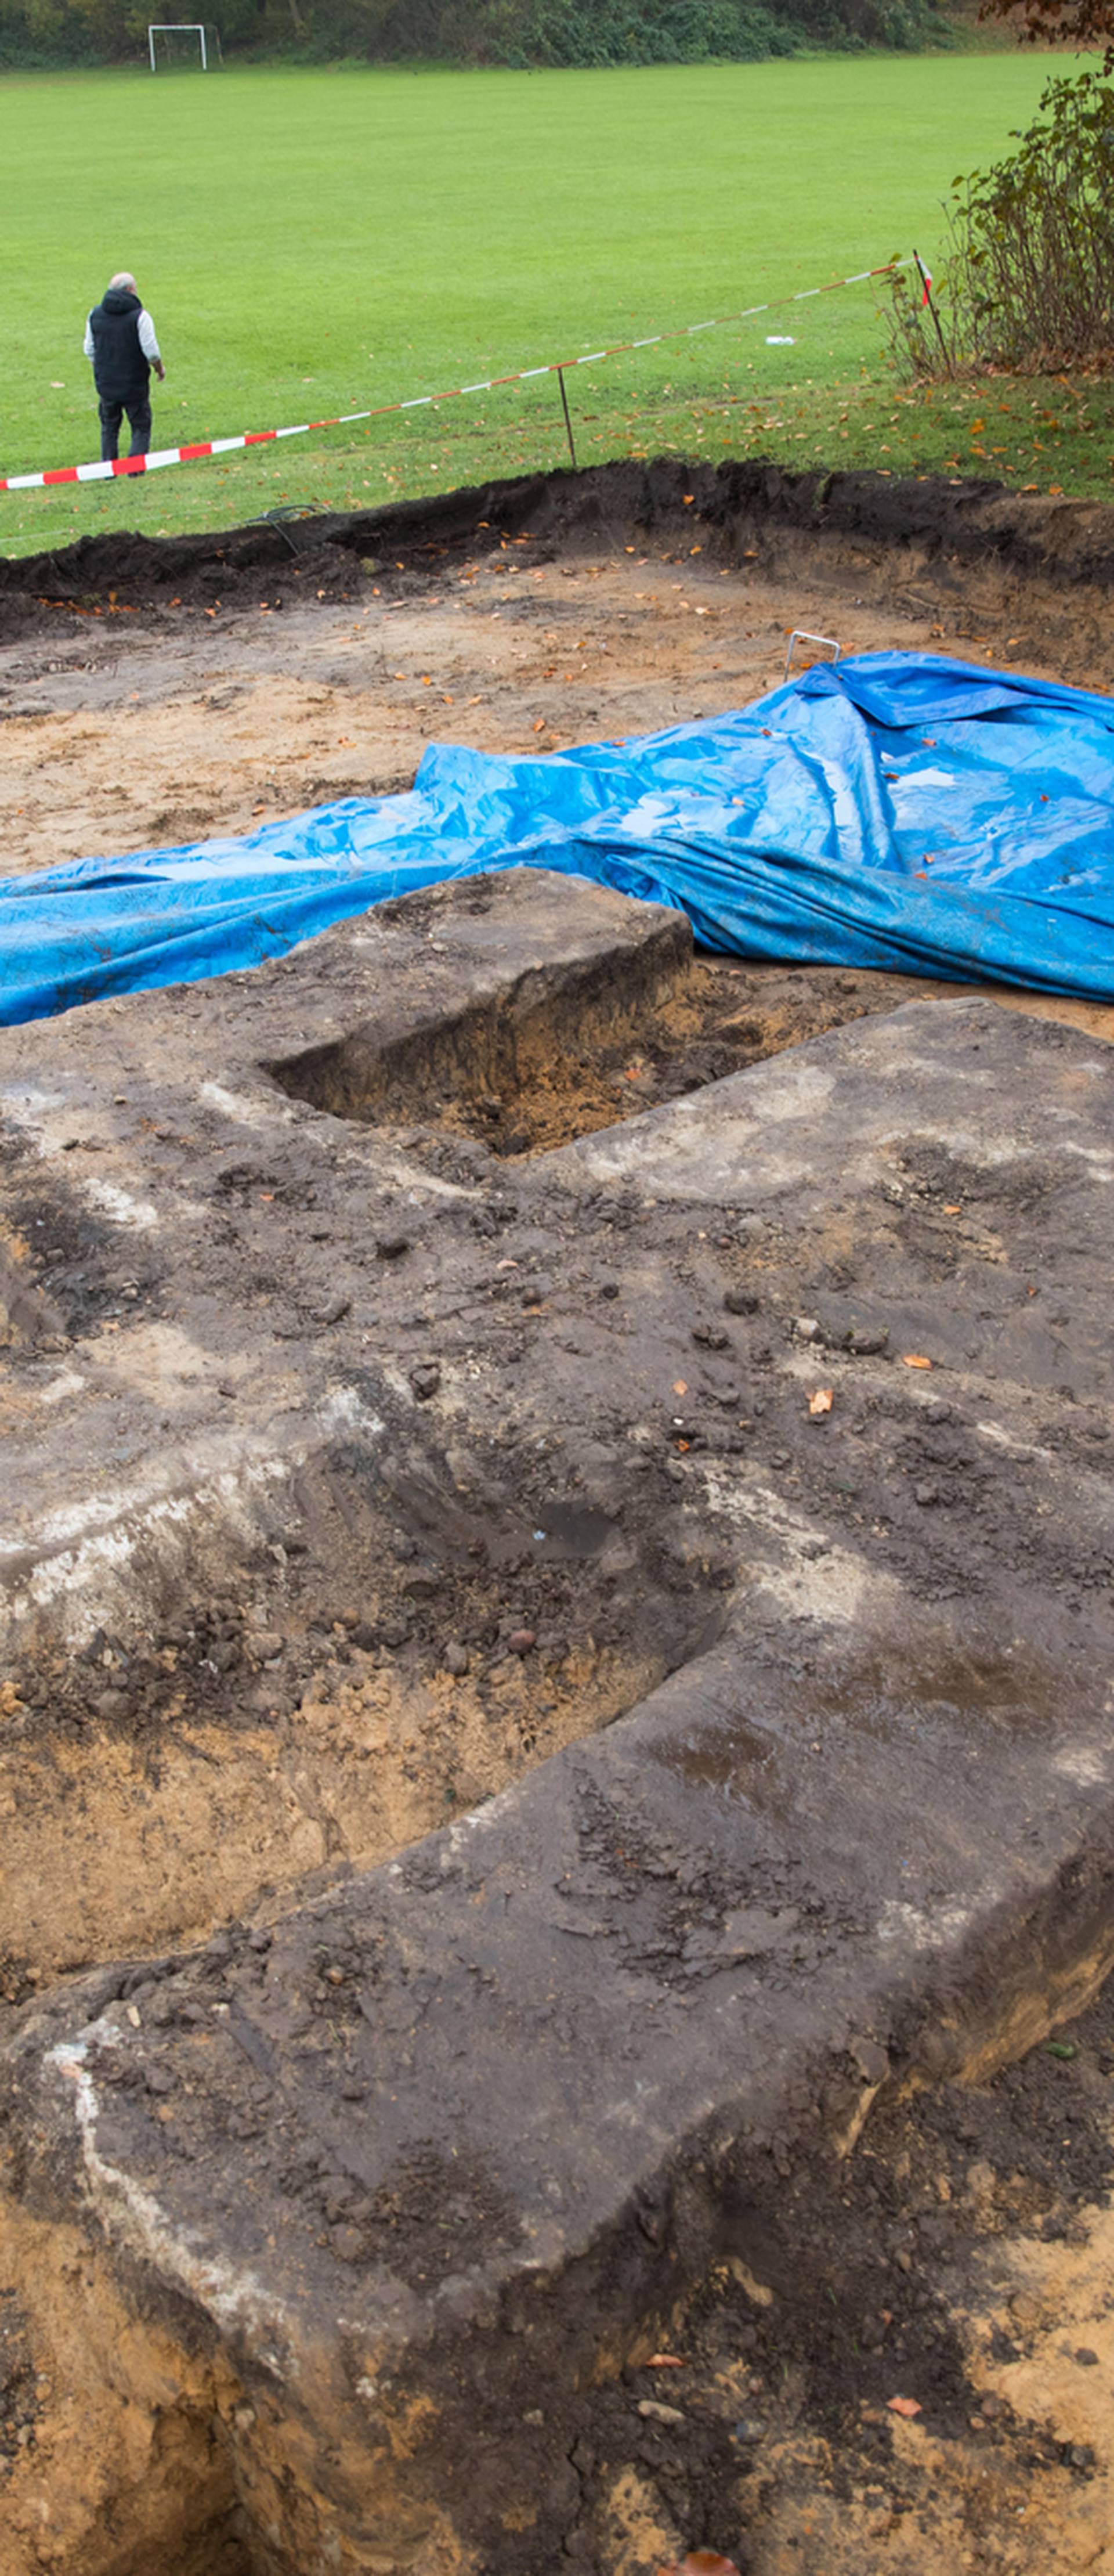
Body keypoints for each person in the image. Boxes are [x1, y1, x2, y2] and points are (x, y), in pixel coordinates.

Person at [84, 273, 165, 463]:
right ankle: (135, 469)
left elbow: (89, 349)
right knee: (141, 426)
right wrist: (159, 369)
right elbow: (152, 352)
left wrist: (102, 369)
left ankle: (109, 469)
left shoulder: (94, 314)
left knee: (109, 427)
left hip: (107, 383)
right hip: (134, 384)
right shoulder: (140, 316)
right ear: (130, 290)